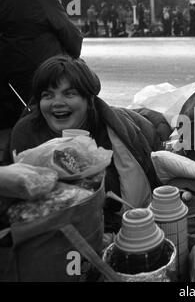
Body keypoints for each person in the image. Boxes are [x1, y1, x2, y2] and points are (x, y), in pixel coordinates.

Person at [9, 55, 172, 232]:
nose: (57, 103)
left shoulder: (115, 131)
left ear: (89, 100)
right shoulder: (26, 133)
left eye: (69, 93)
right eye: (47, 95)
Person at [0, 0, 83, 131]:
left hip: (11, 75)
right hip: (48, 70)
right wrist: (73, 59)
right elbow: (70, 34)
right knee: (87, 81)